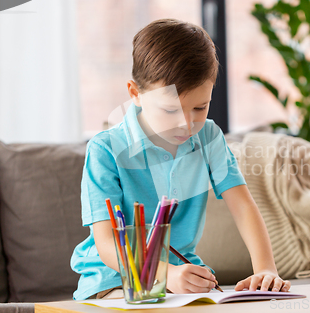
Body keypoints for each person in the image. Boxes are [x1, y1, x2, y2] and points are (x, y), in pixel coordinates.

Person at [70, 18, 291, 300]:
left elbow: (244, 206)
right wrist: (165, 276)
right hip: (114, 278)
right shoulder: (105, 150)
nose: (187, 125)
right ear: (136, 94)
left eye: (201, 107)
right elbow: (106, 244)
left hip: (181, 273)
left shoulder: (209, 137)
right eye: (170, 110)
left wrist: (266, 269)